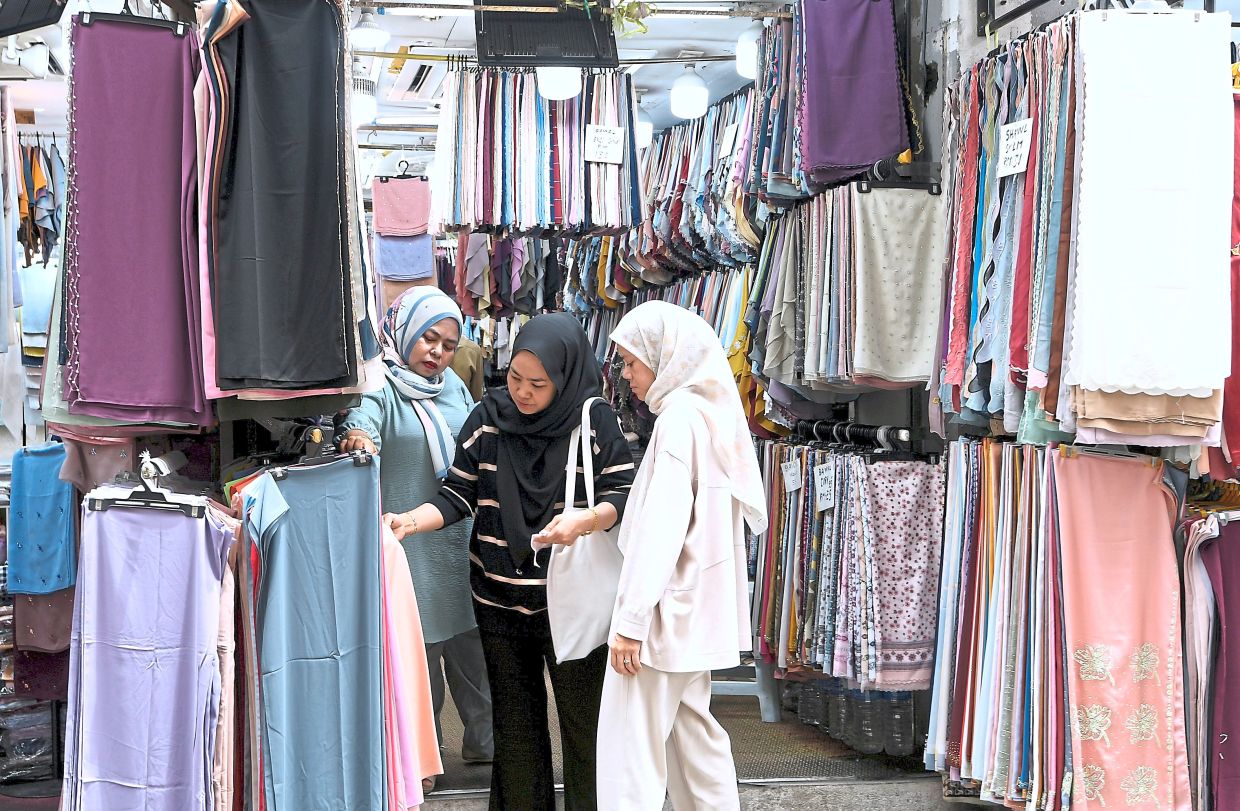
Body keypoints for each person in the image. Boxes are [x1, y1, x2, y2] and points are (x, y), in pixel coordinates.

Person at [386, 311, 636, 811]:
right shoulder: (488, 418)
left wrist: (583, 521)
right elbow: (459, 492)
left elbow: (624, 494)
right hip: (497, 600)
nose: (522, 392)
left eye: (538, 384)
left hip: (573, 607)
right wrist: (410, 521)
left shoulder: (593, 421)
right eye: (516, 378)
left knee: (586, 728)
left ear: (564, 379)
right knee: (516, 728)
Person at [582, 301, 768, 810]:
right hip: (695, 614)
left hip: (665, 614)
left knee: (630, 749)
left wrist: (630, 623)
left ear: (664, 359)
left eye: (632, 363)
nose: (627, 376)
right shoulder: (708, 414)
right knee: (694, 741)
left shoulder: (678, 423)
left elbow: (659, 531)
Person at [335, 287, 495, 789]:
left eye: (448, 345)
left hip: (457, 537)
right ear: (405, 332)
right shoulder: (378, 384)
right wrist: (360, 437)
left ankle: (485, 743)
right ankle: (421, 758)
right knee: (417, 653)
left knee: (473, 650)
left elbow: (475, 443)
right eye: (429, 339)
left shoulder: (453, 389)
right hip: (408, 544)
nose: (437, 353)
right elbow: (363, 425)